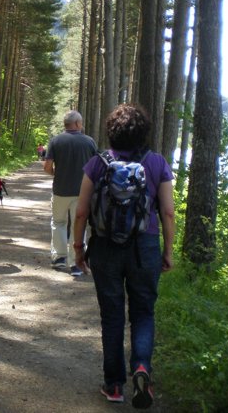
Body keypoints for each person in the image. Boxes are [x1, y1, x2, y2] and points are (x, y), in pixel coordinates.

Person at [73, 104, 175, 408]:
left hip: (105, 247)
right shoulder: (157, 163)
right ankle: (142, 367)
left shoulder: (97, 163)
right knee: (144, 312)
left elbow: (80, 212)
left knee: (112, 315)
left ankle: (114, 385)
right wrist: (167, 251)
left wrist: (79, 250)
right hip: (145, 248)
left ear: (111, 131)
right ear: (144, 132)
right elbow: (168, 212)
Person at [43, 110, 97, 275]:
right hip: (82, 193)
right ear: (78, 124)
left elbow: (47, 167)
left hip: (60, 191)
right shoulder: (89, 142)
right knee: (78, 227)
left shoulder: (55, 141)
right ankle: (76, 264)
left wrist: (56, 174)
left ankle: (59, 258)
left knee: (58, 223)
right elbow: (96, 167)